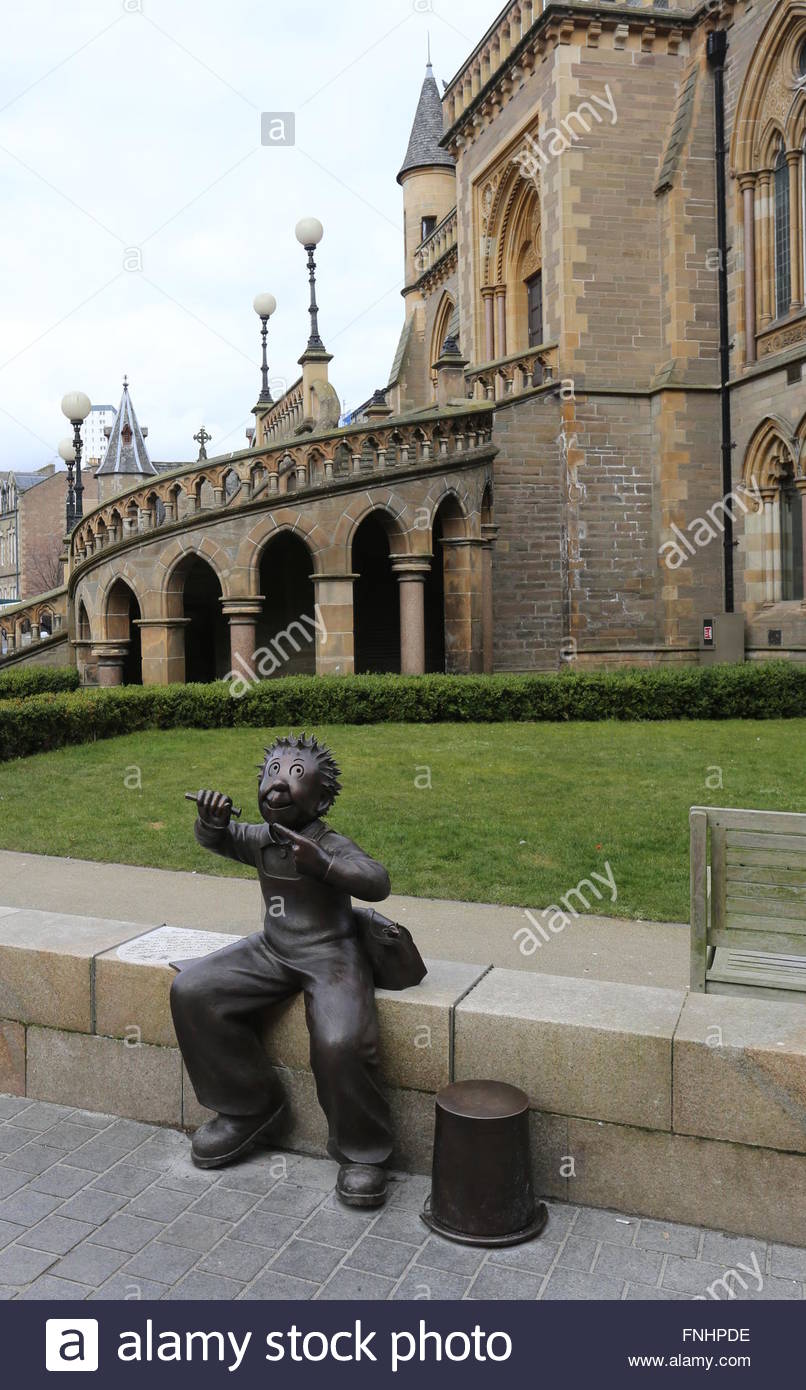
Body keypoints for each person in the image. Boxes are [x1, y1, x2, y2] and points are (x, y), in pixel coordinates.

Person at [170, 732, 393, 1208]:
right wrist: (209, 822)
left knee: (340, 1042)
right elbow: (220, 839)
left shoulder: (330, 842)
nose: (278, 783)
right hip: (273, 949)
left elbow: (377, 881)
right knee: (192, 990)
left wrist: (326, 865)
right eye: (272, 772)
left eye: (295, 775)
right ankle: (248, 1107)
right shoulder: (259, 838)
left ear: (322, 797)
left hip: (332, 955)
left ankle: (363, 1153)